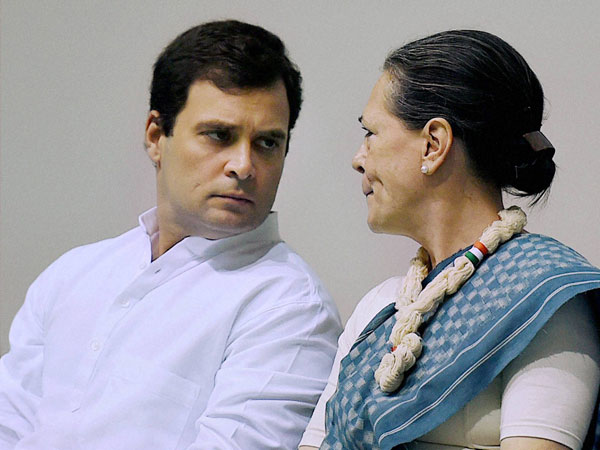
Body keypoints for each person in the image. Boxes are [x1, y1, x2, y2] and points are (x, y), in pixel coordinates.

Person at [0, 20, 342, 449]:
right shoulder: (73, 274)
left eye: (268, 143)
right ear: (156, 136)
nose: (244, 165)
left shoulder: (289, 307)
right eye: (220, 135)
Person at [299, 30, 600, 450]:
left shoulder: (543, 300)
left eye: (371, 133)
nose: (358, 158)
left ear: (433, 145)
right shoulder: (379, 312)